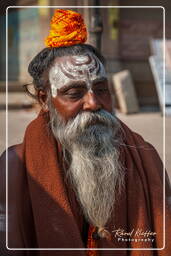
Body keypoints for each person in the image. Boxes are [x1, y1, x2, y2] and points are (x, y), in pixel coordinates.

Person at [0, 9, 171, 256]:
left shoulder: (146, 158)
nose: (93, 103)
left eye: (101, 89)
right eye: (74, 93)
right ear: (45, 99)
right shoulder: (15, 168)